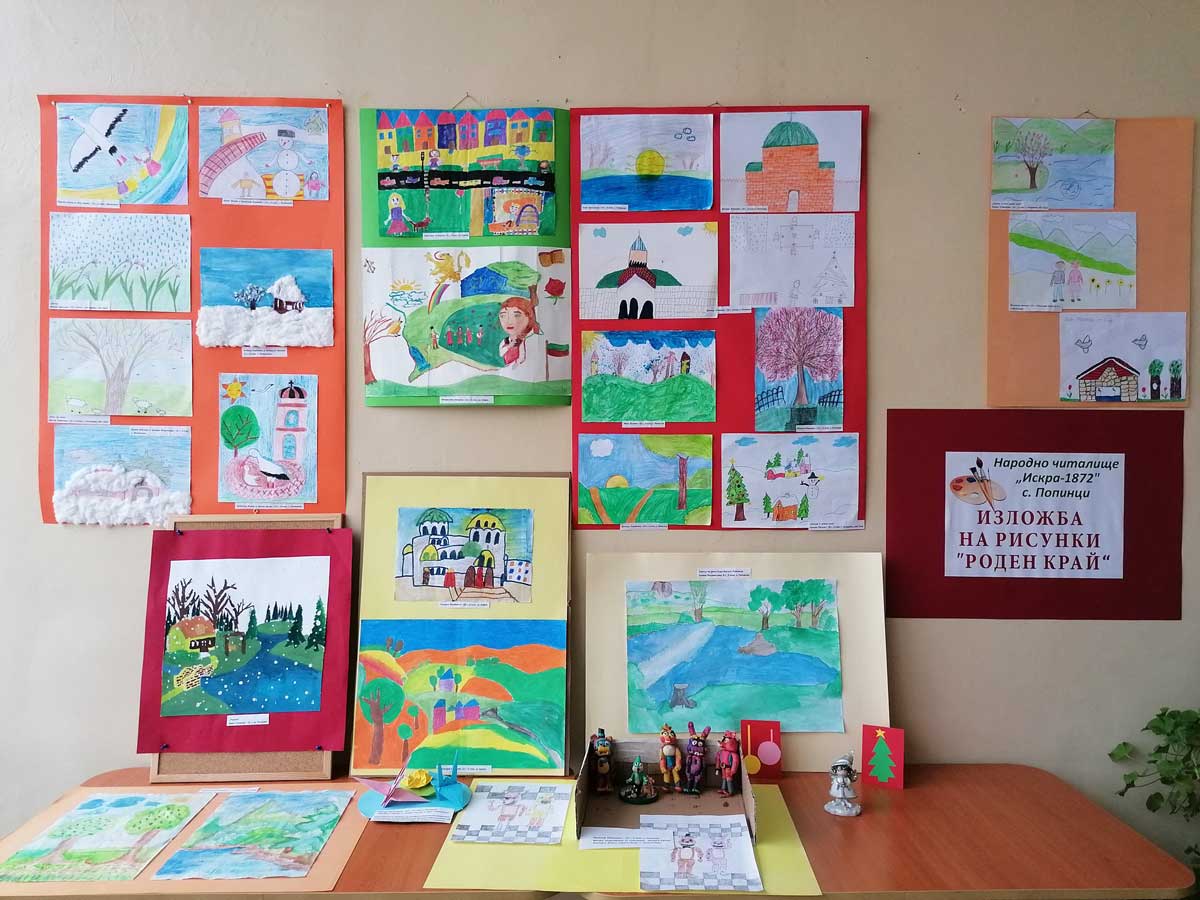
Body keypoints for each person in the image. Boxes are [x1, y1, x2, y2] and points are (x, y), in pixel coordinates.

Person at [498, 296, 539, 366]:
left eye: (516, 315)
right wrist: (509, 346)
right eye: (503, 316)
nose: (508, 322)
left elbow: (522, 358)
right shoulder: (505, 341)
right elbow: (501, 353)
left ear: (529, 317)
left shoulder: (527, 341)